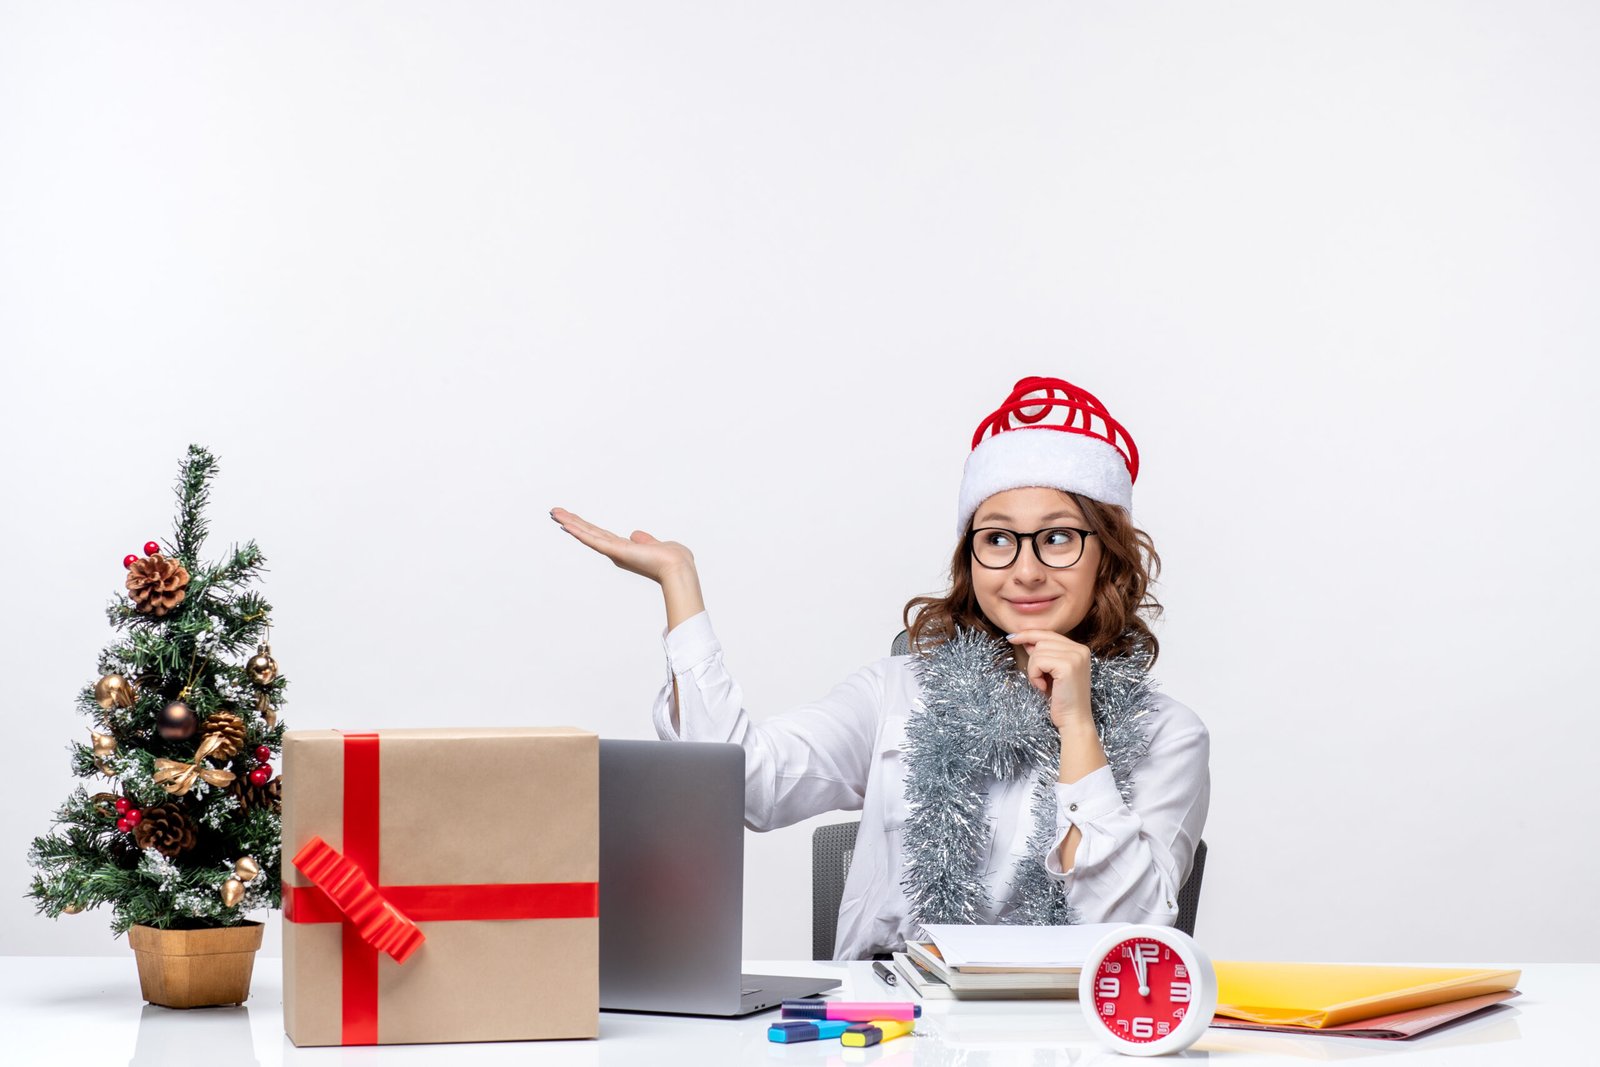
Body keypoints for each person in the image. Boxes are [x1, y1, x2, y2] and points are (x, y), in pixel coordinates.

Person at [551, 376, 1210, 960]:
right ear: (971, 556)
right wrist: (679, 583)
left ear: (1109, 556)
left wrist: (1079, 730)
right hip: (890, 1033)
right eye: (998, 538)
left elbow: (1134, 943)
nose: (1026, 568)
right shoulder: (895, 694)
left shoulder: (1170, 734)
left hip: (1066, 1039)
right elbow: (738, 784)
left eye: (1059, 536)